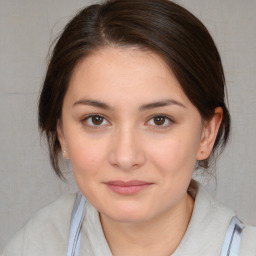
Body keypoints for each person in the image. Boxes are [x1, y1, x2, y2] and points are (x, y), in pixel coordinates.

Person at [2, 0, 256, 255]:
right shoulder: (35, 245)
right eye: (96, 119)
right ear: (62, 134)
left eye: (159, 120)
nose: (125, 157)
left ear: (206, 134)